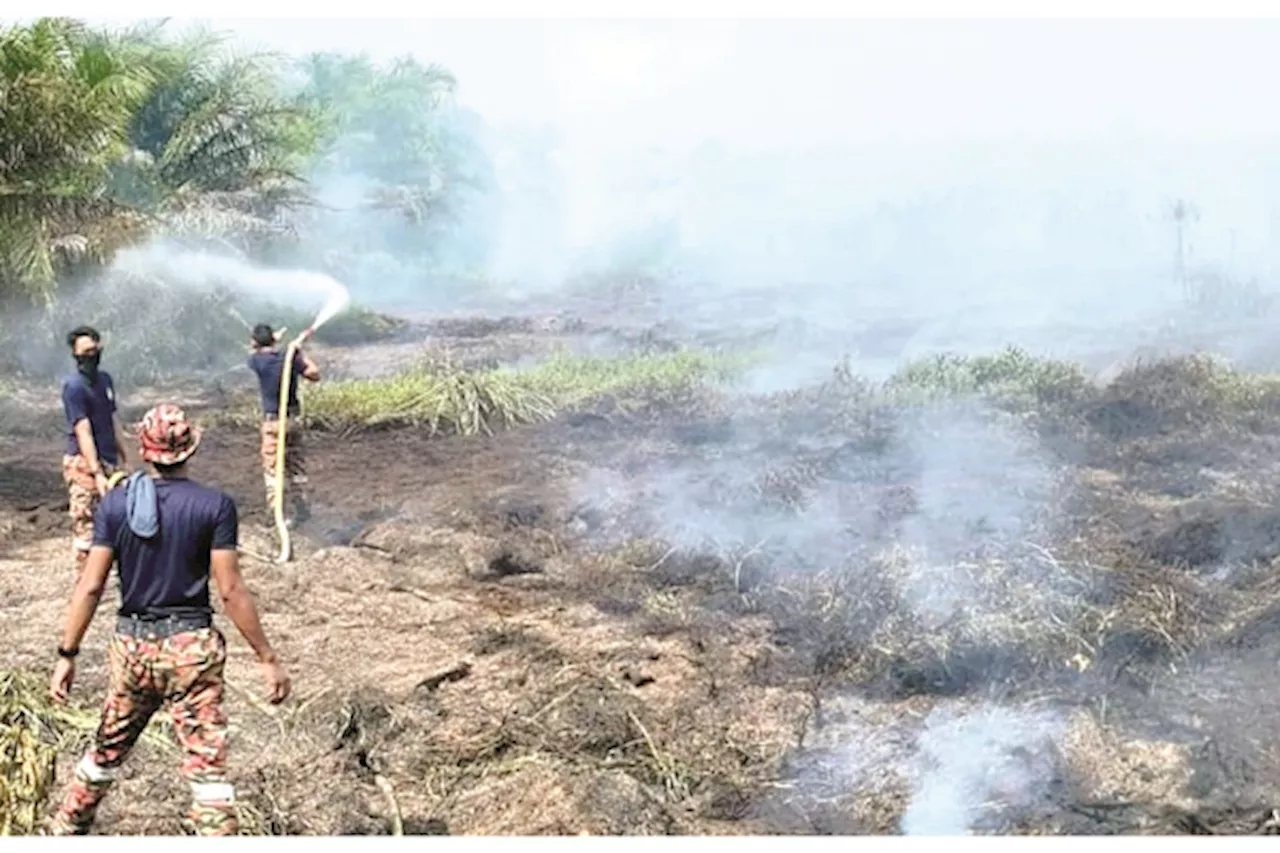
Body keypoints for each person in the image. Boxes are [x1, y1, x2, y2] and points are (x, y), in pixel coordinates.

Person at [47, 403, 291, 836]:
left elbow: (89, 586)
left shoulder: (116, 506)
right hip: (192, 650)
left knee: (105, 752)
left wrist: (67, 654)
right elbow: (231, 590)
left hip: (134, 650)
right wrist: (266, 657)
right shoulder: (214, 506)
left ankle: (64, 830)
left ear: (144, 449)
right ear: (189, 449)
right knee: (208, 771)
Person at [61, 326, 130, 579]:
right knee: (86, 524)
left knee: (116, 518)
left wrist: (126, 458)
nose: (91, 355)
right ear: (76, 355)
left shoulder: (105, 380)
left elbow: (113, 419)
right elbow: (83, 431)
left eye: (94, 350)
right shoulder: (74, 387)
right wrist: (96, 472)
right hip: (83, 462)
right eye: (85, 352)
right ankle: (85, 581)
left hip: (109, 460)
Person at [246, 323, 320, 526]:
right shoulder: (289, 358)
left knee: (272, 469)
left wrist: (280, 343)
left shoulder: (256, 361)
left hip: (272, 424)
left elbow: (257, 349)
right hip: (293, 421)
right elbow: (315, 374)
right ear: (274, 340)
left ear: (254, 342)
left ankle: (275, 516)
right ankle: (302, 509)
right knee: (295, 467)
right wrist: (299, 351)